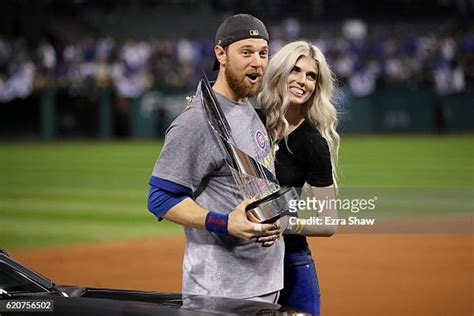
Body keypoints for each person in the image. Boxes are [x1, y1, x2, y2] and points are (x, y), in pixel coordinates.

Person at [147, 14, 284, 303]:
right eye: (246, 52)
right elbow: (159, 198)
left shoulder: (247, 107)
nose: (257, 62)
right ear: (221, 54)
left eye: (263, 53)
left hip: (262, 282)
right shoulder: (197, 122)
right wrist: (224, 223)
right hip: (220, 293)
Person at [257, 41, 340, 315]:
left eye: (311, 76)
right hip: (244, 261)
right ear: (280, 71)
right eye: (296, 70)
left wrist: (287, 225)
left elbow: (329, 223)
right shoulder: (251, 122)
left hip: (291, 261)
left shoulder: (313, 143)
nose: (302, 81)